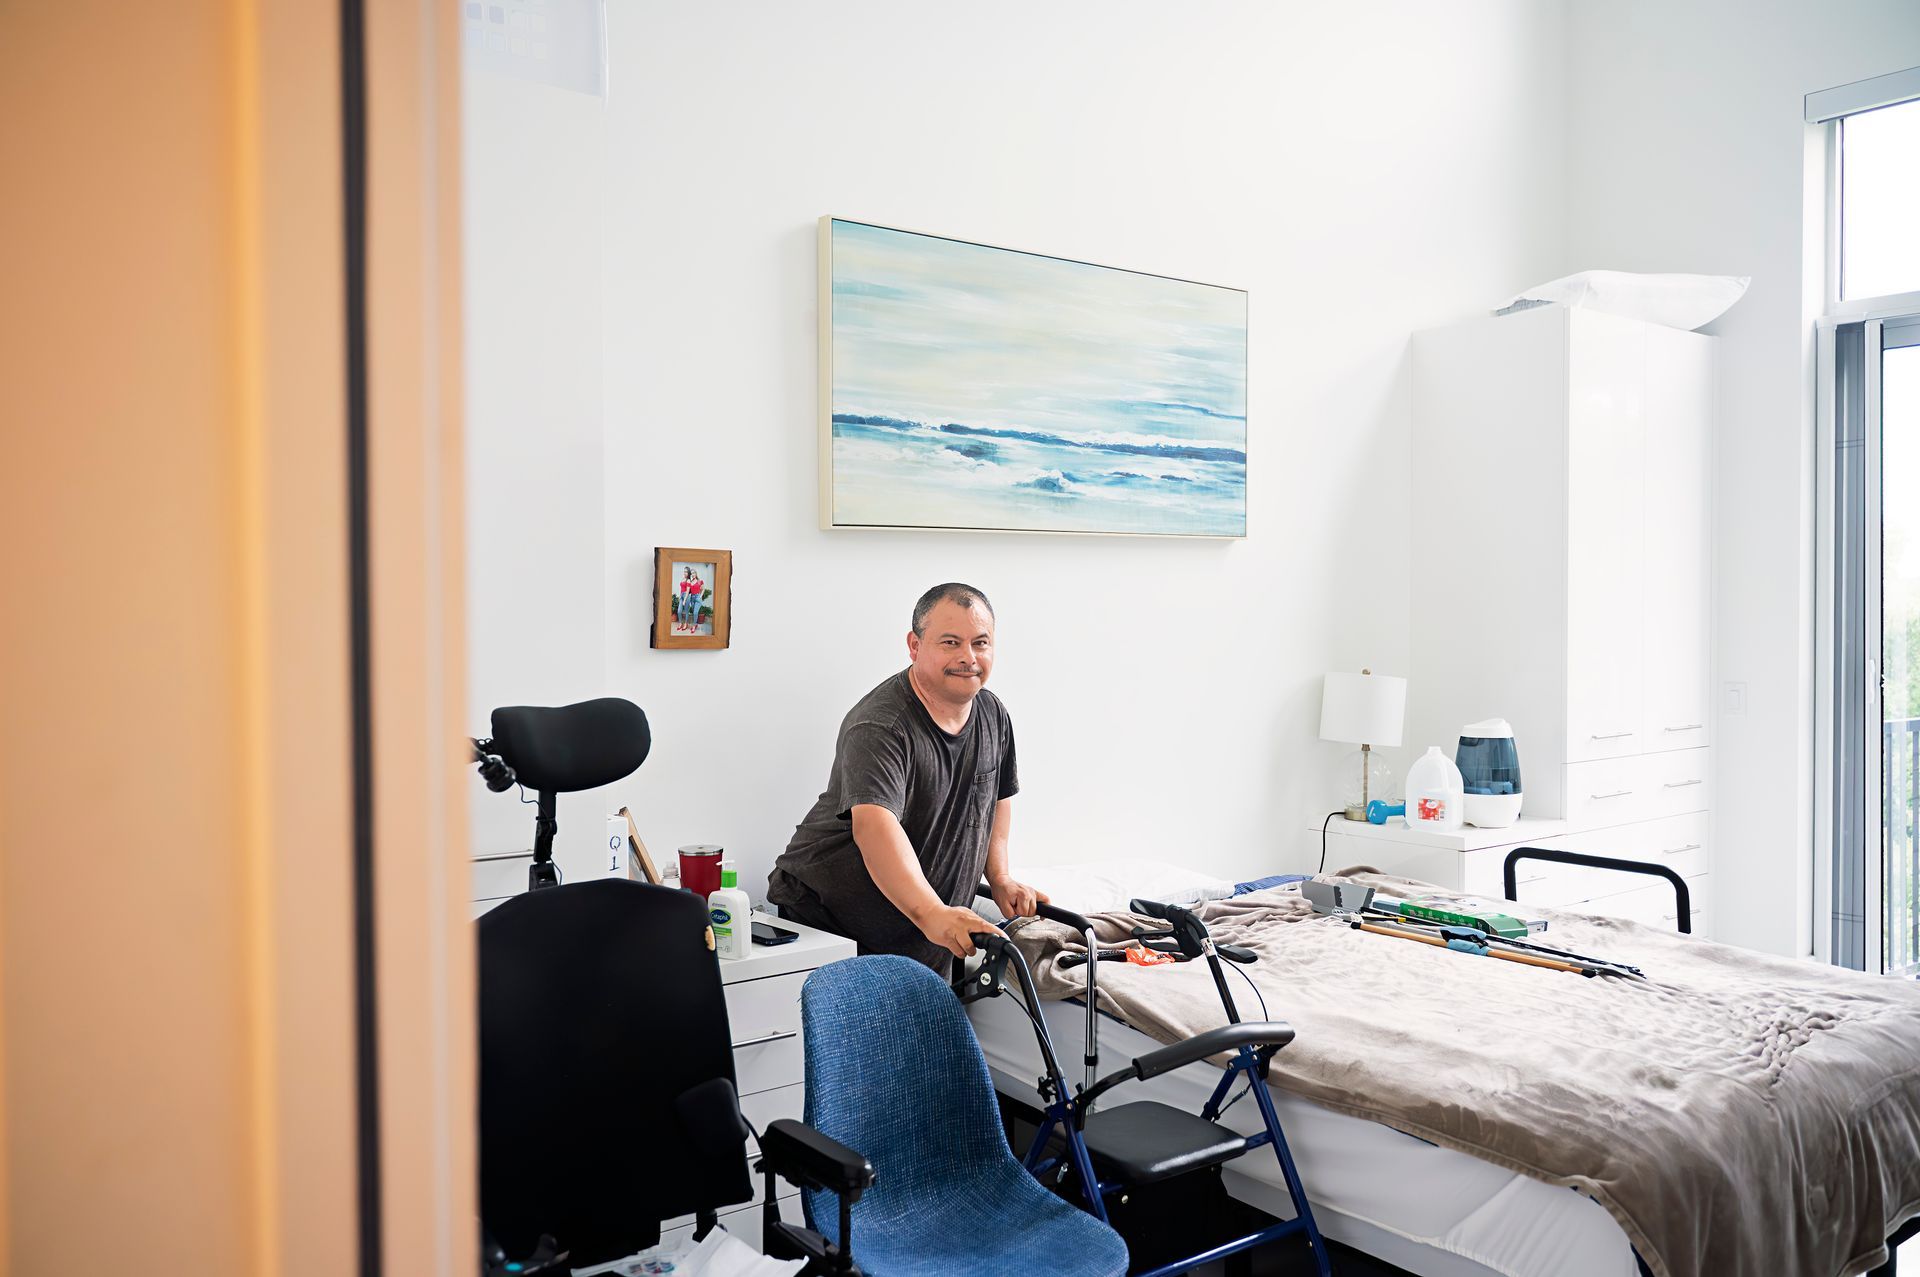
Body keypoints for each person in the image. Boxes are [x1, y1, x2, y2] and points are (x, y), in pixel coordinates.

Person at [768, 582, 1047, 976]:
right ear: (914, 646)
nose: (968, 658)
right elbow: (874, 828)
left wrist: (999, 877)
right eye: (950, 642)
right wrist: (933, 912)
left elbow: (997, 798)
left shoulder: (992, 713)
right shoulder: (881, 725)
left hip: (921, 929)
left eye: (980, 643)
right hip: (832, 923)